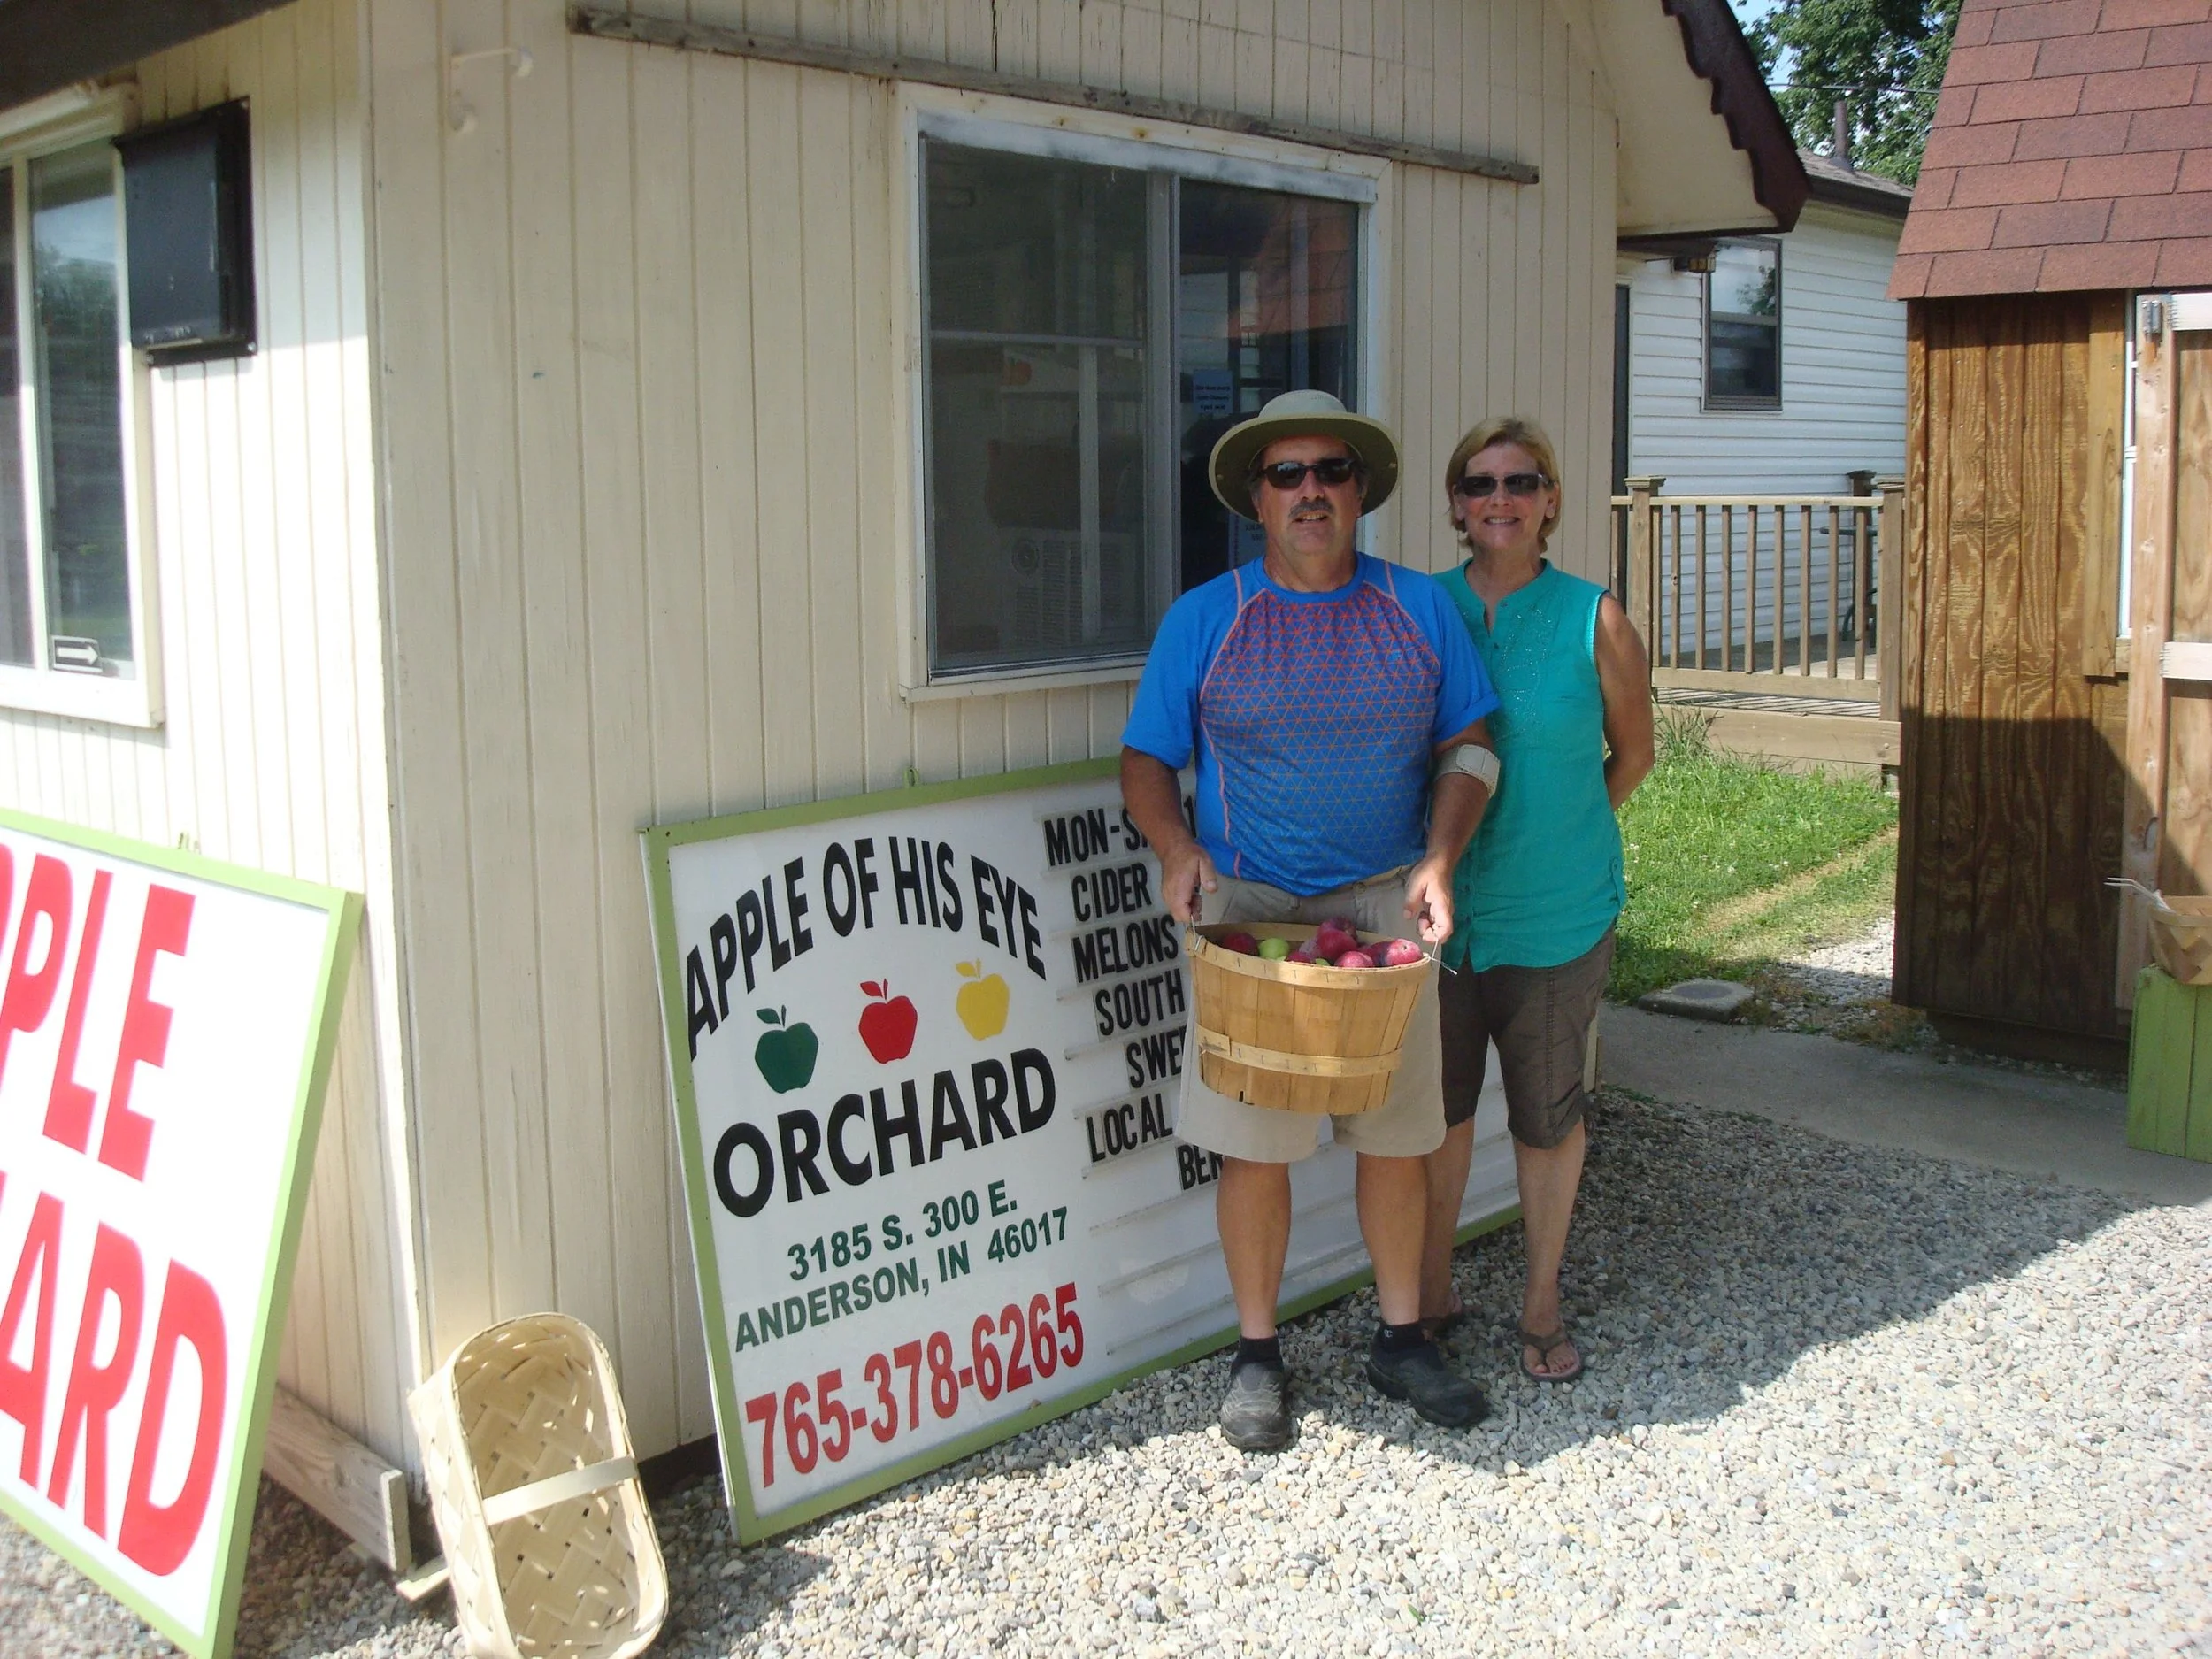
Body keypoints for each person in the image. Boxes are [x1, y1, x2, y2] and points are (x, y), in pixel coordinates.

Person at [1120, 388, 1504, 1452]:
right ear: (1256, 497)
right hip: (1250, 910)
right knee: (1257, 1142)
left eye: (1330, 471)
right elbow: (1146, 760)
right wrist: (1177, 848)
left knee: (1394, 1135)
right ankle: (1255, 1354)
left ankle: (1401, 1337)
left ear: (1361, 490)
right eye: (1286, 475)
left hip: (1383, 901)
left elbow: (1469, 744)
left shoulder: (1417, 609)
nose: (1310, 491)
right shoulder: (1207, 616)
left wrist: (1439, 858)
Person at [1417, 416, 1655, 1384]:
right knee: (1432, 1117)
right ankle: (1426, 1295)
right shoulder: (1419, 608)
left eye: (1521, 483)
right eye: (1480, 485)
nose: (1500, 500)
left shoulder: (1592, 616)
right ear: (1456, 507)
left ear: (1551, 501)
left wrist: (1566, 833)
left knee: (1545, 1116)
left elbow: (1634, 754)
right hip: (1438, 920)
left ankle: (1540, 1300)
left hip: (1556, 918)